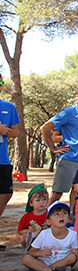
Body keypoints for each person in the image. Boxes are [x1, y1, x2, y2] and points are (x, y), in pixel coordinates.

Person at [21, 201, 78, 271]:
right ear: (48, 221)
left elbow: (75, 253)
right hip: (44, 261)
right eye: (56, 214)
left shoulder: (73, 234)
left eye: (64, 213)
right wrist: (40, 253)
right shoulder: (44, 234)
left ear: (68, 219)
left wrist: (75, 252)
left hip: (62, 262)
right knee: (26, 259)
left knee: (72, 257)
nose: (61, 216)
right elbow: (31, 252)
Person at [0, 73, 20, 220]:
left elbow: (15, 133)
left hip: (3, 160)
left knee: (6, 193)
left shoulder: (9, 107)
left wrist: (5, 131)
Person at [18, 183, 49, 248]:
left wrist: (48, 229)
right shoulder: (26, 217)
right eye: (38, 200)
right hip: (33, 238)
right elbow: (20, 231)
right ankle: (29, 251)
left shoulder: (50, 214)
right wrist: (29, 230)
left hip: (47, 238)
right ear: (31, 203)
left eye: (44, 199)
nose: (41, 202)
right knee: (23, 238)